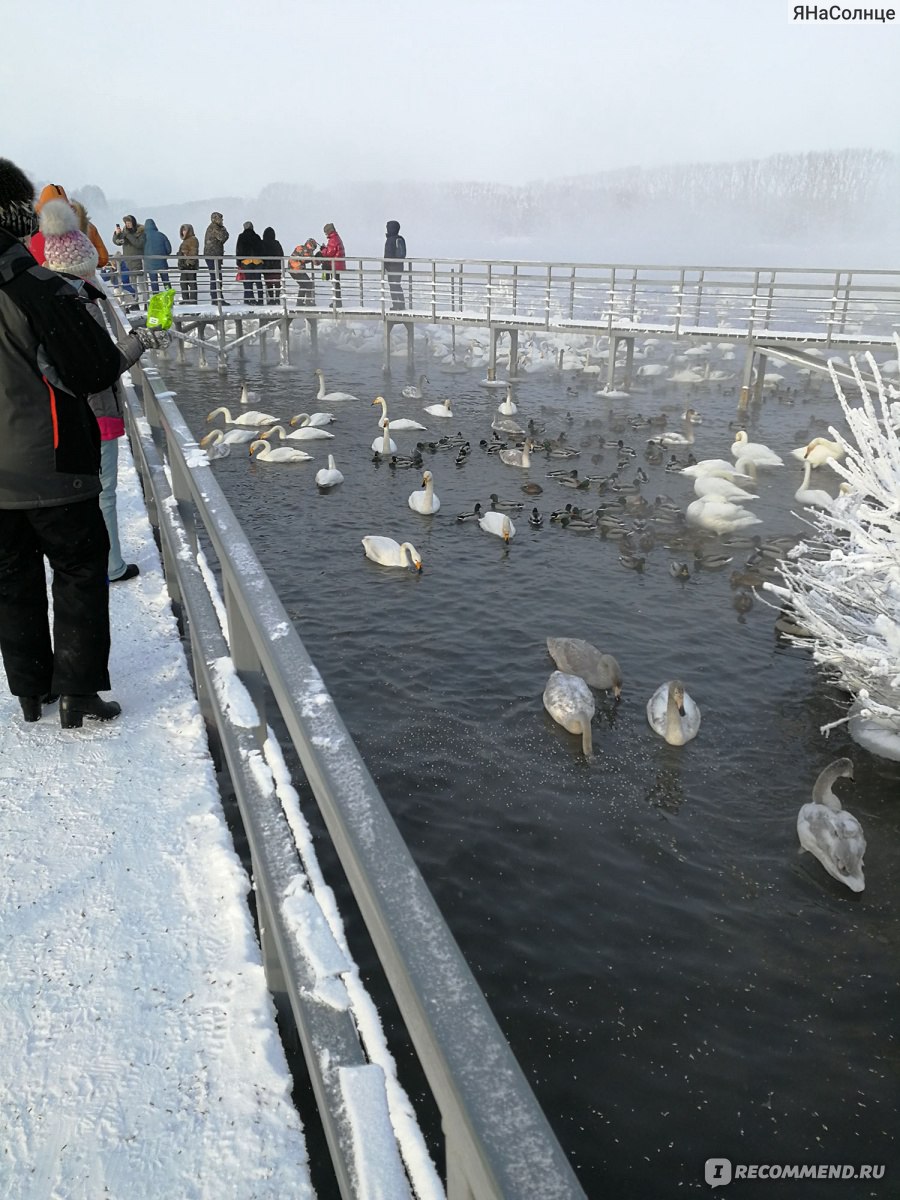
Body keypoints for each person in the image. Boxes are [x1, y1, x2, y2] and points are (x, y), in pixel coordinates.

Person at [0, 157, 167, 728]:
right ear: (21, 217)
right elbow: (93, 370)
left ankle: (30, 692)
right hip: (51, 462)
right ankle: (78, 691)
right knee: (77, 568)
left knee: (11, 580)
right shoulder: (36, 288)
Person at [40, 196, 151, 587]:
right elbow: (101, 366)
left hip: (71, 412)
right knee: (104, 491)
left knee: (88, 491)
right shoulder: (80, 302)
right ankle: (111, 564)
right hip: (97, 409)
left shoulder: (49, 299)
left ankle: (97, 561)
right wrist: (140, 340)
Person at [112, 214, 146, 308]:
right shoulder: (125, 232)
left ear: (133, 223)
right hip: (128, 262)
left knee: (142, 285)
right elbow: (117, 242)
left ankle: (147, 302)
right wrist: (117, 235)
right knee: (132, 285)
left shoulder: (140, 232)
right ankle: (135, 303)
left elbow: (139, 244)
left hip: (138, 261)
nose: (127, 225)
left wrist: (128, 235)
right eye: (126, 223)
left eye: (129, 223)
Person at [236, 220, 264, 305]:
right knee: (258, 281)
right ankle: (261, 300)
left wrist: (238, 262)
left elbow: (239, 249)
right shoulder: (257, 237)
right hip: (257, 262)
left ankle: (250, 300)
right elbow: (262, 249)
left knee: (248, 281)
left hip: (246, 262)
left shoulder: (241, 236)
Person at [204, 211, 229, 305]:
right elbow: (223, 237)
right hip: (213, 256)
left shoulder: (212, 227)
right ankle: (217, 299)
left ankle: (216, 298)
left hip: (212, 256)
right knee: (216, 277)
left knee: (215, 277)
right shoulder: (215, 228)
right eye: (220, 219)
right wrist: (224, 229)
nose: (222, 220)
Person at [318, 222, 345, 309]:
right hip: (337, 263)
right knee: (336, 283)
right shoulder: (336, 238)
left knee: (335, 283)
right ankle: (337, 301)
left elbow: (330, 252)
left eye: (326, 232)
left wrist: (322, 250)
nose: (325, 234)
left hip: (335, 265)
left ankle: (337, 302)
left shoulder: (333, 239)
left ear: (329, 231)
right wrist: (325, 249)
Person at [142, 218, 171, 293]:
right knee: (166, 281)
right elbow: (169, 250)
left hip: (150, 264)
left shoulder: (143, 237)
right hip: (162, 263)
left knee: (154, 282)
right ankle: (169, 297)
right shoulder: (161, 235)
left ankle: (156, 298)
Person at [384, 219, 406, 310]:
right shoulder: (400, 239)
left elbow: (388, 255)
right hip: (400, 266)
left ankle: (396, 305)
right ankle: (401, 304)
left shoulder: (390, 240)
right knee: (397, 285)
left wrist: (385, 266)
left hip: (392, 267)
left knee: (393, 286)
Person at [289, 237, 318, 306]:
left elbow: (306, 259)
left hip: (294, 269)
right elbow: (309, 259)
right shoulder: (304, 250)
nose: (313, 249)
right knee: (309, 284)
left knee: (303, 285)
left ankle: (300, 302)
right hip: (296, 269)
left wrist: (313, 258)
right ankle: (307, 302)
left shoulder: (302, 248)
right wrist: (314, 258)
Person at [260, 225, 284, 305]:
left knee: (269, 284)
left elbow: (261, 254)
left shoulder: (262, 243)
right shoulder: (277, 243)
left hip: (267, 267)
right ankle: (277, 299)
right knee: (277, 284)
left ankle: (271, 299)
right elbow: (281, 254)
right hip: (277, 267)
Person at [177, 222, 199, 305]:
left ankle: (192, 301)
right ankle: (186, 299)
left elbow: (194, 252)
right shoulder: (186, 240)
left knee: (191, 284)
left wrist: (189, 262)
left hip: (189, 266)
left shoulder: (193, 239)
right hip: (184, 265)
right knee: (183, 283)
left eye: (185, 230)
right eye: (182, 230)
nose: (183, 232)